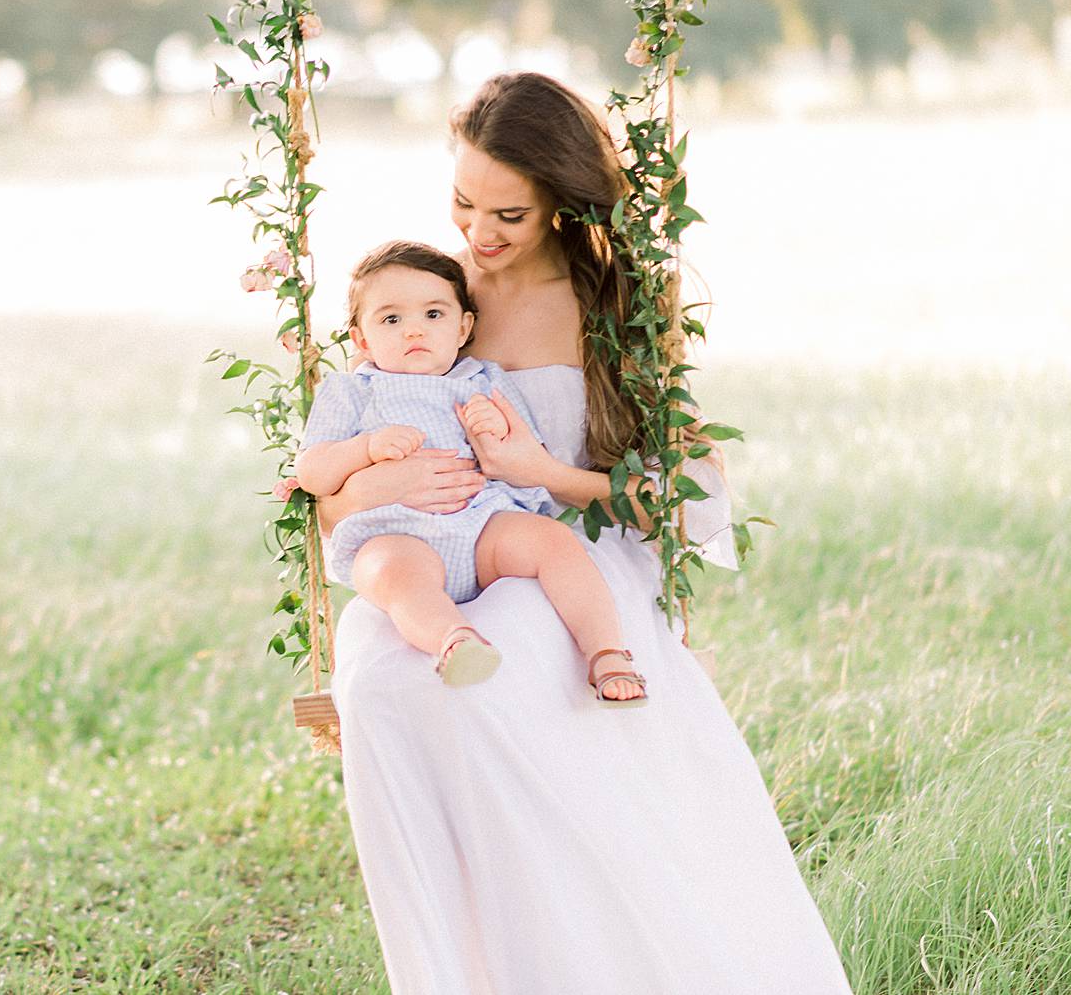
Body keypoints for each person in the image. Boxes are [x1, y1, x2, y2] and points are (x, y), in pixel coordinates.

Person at [315, 72, 853, 994]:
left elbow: (690, 494)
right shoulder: (426, 293)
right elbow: (332, 484)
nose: (478, 235)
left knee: (517, 650)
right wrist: (386, 479)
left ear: (562, 204)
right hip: (435, 547)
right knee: (375, 669)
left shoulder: (611, 303)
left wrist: (543, 473)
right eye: (462, 202)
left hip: (570, 544)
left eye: (509, 215)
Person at [296, 239, 648, 704]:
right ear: (361, 339)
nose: (413, 332)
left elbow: (526, 450)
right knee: (390, 573)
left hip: (484, 526)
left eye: (433, 315)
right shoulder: (353, 390)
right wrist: (364, 449)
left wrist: (495, 426)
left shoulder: (482, 380)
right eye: (391, 319)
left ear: (464, 328)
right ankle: (454, 641)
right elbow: (313, 472)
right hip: (397, 534)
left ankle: (607, 653)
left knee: (553, 543)